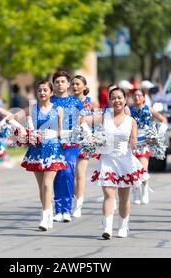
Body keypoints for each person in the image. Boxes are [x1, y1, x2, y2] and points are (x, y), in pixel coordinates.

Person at [88, 87, 149, 239]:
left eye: (120, 97)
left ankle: (123, 226)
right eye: (113, 98)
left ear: (125, 100)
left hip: (125, 160)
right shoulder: (104, 116)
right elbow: (83, 121)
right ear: (109, 101)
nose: (117, 100)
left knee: (124, 197)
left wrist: (145, 141)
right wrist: (91, 137)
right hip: (107, 159)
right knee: (109, 194)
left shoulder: (131, 121)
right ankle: (107, 228)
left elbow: (134, 142)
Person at [7, 80, 66, 231]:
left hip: (53, 149)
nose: (42, 93)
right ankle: (48, 211)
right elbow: (10, 119)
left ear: (51, 93)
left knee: (47, 184)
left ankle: (44, 218)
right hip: (36, 150)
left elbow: (61, 131)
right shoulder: (32, 108)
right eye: (39, 90)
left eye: (45, 90)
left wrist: (52, 134)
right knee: (41, 187)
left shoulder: (58, 109)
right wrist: (24, 131)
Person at [51, 70, 83, 223]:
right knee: (56, 173)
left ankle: (67, 209)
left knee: (68, 172)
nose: (60, 84)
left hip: (71, 141)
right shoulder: (49, 101)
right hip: (53, 142)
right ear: (53, 85)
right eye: (57, 82)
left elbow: (83, 121)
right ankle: (58, 210)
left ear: (68, 84)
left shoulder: (76, 101)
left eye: (63, 81)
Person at [129, 89, 167, 205]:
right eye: (134, 95)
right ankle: (136, 192)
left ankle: (145, 190)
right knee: (132, 168)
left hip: (145, 142)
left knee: (143, 169)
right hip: (132, 142)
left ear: (144, 97)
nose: (137, 97)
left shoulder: (149, 109)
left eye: (139, 95)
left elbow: (163, 120)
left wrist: (157, 133)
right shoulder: (129, 110)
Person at [71, 75, 94, 218]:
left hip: (85, 140)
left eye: (78, 84)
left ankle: (78, 206)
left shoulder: (90, 103)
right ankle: (75, 196)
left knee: (80, 173)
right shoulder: (67, 102)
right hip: (69, 140)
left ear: (84, 87)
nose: (75, 86)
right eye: (73, 84)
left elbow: (94, 121)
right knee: (69, 174)